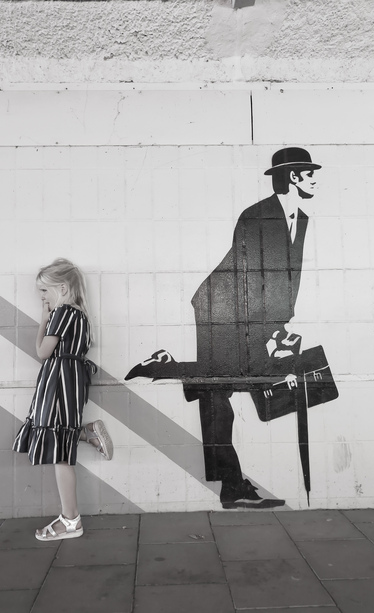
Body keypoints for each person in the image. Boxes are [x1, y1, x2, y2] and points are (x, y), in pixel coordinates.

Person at [126, 147, 321, 508]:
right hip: (223, 307)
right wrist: (271, 330)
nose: (314, 179)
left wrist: (280, 324)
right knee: (221, 388)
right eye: (309, 173)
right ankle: (231, 484)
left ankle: (165, 367)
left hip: (250, 312)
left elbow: (287, 277)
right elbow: (249, 276)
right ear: (293, 176)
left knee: (221, 386)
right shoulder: (257, 215)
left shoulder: (302, 217)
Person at [13, 258, 113, 540]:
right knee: (60, 434)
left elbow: (42, 352)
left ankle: (71, 520)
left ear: (62, 287)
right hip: (72, 378)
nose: (42, 297)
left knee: (59, 450)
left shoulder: (61, 313)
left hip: (57, 378)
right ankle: (88, 432)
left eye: (44, 291)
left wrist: (43, 320)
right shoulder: (81, 316)